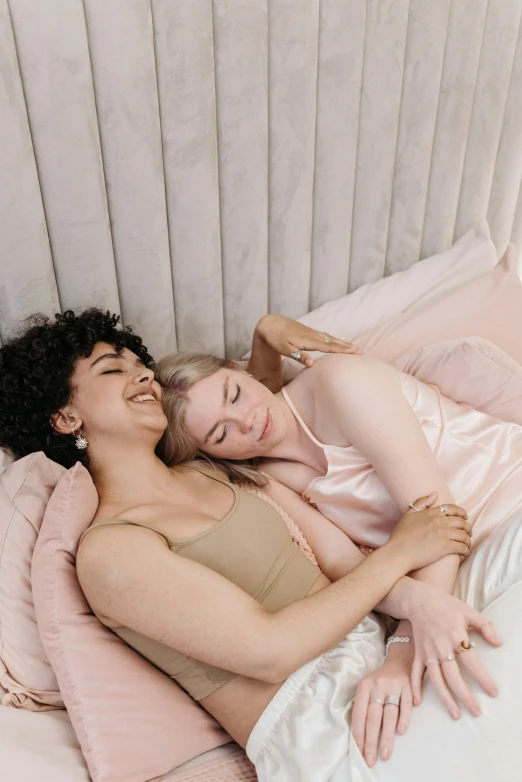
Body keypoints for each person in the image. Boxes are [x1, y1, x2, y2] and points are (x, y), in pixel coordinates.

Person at [0, 308, 489, 780]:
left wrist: (268, 334)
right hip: (320, 722)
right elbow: (269, 650)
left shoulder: (208, 468)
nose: (144, 376)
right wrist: (400, 554)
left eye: (140, 364)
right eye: (113, 369)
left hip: (380, 653)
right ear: (65, 419)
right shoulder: (111, 551)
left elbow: (251, 412)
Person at [155, 348, 521, 759]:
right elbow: (345, 565)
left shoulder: (338, 382)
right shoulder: (266, 481)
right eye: (221, 434)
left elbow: (440, 518)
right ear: (211, 455)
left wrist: (401, 649)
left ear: (240, 370)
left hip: (511, 514)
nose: (248, 422)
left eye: (235, 394)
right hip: (455, 578)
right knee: (451, 715)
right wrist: (416, 614)